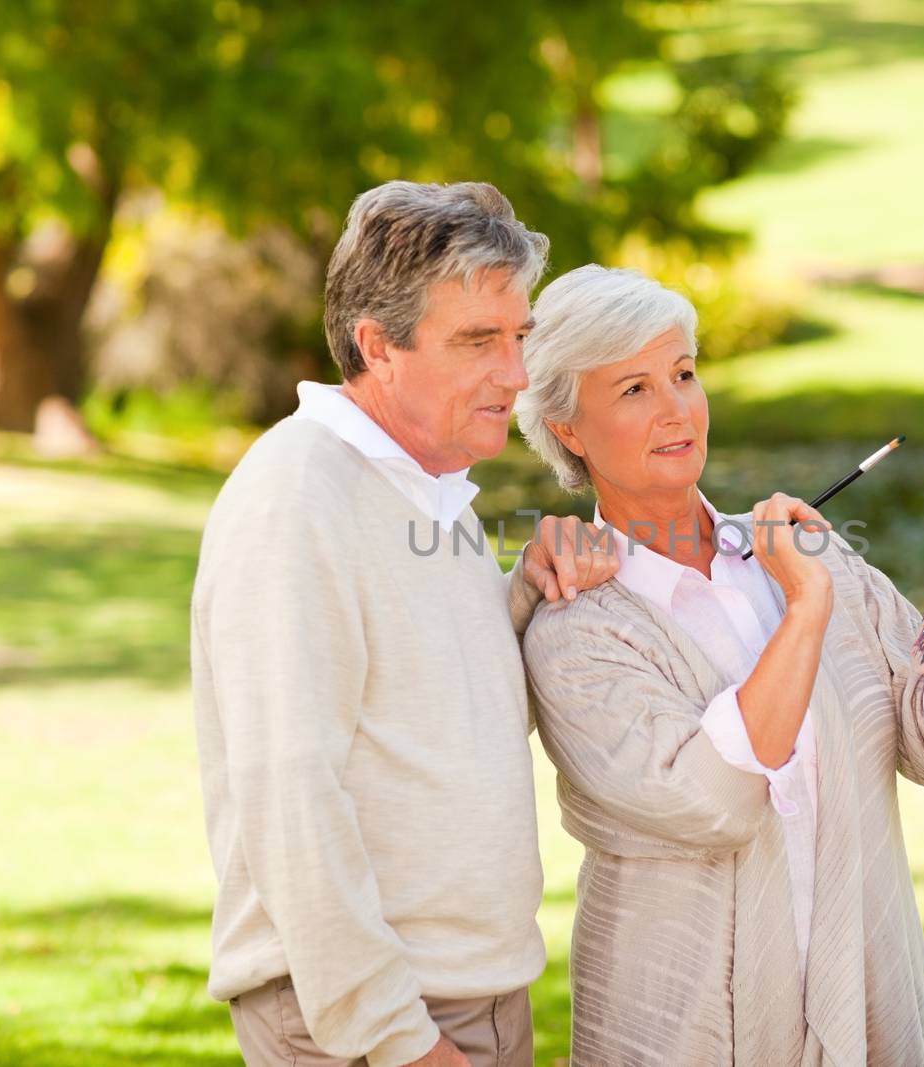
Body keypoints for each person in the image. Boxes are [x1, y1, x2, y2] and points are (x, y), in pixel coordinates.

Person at [514, 265, 924, 1065]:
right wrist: (803, 609)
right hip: (678, 1025)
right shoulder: (575, 627)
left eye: (684, 374)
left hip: (871, 997)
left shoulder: (807, 551)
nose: (677, 410)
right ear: (567, 428)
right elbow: (713, 799)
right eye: (633, 389)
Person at [191, 182, 617, 1067]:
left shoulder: (425, 489)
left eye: (518, 339)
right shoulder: (298, 497)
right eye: (477, 342)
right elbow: (288, 794)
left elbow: (424, 712)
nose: (515, 374)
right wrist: (397, 1040)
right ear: (378, 347)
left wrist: (522, 594)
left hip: (466, 1000)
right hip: (372, 1023)